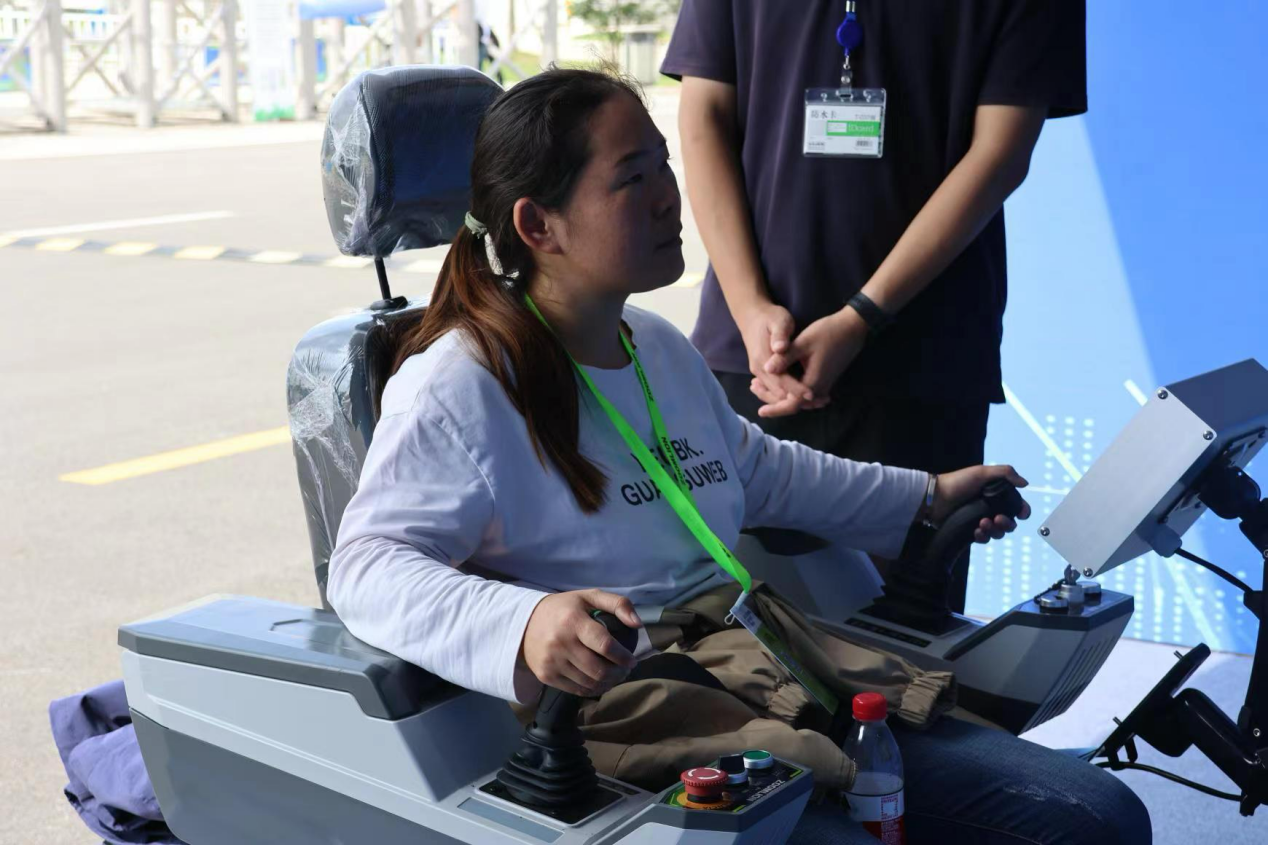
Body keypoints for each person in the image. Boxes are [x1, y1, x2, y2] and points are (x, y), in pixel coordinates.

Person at [327, 68, 1149, 843]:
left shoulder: (651, 343)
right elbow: (365, 565)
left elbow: (755, 469)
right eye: (632, 178)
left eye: (663, 164)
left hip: (758, 664)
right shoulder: (460, 383)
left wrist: (925, 496)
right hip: (633, 716)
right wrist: (526, 622)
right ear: (538, 226)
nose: (669, 195)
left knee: (1099, 814)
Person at [663, 1, 1088, 611]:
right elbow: (704, 117)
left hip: (922, 359)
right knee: (732, 626)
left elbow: (1001, 152)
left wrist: (861, 316)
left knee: (904, 639)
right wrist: (749, 305)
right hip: (756, 357)